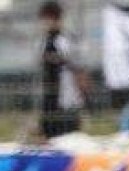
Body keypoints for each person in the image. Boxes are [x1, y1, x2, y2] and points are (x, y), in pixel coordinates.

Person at [37, 1, 87, 140]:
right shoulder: (44, 41)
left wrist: (81, 90)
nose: (45, 23)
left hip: (64, 92)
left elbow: (75, 65)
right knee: (48, 128)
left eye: (48, 19)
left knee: (68, 131)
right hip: (50, 91)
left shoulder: (62, 40)